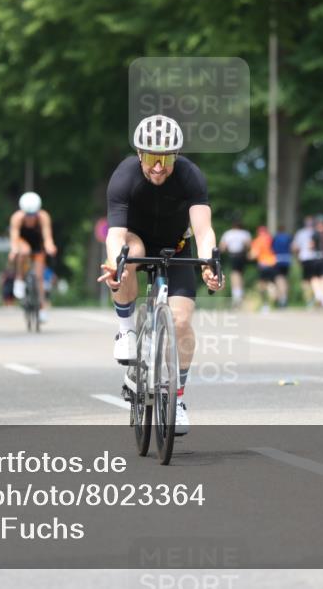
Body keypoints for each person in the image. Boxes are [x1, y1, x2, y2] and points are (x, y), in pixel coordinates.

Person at [97, 114, 222, 435]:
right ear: (140, 154)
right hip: (135, 241)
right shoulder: (124, 176)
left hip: (176, 247)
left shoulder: (190, 176)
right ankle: (126, 330)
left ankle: (177, 398)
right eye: (151, 158)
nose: (158, 166)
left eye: (166, 159)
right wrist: (114, 264)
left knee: (181, 322)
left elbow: (203, 230)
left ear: (176, 156)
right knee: (129, 256)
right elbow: (115, 234)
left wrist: (209, 263)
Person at [7, 191, 58, 323]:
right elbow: (14, 238)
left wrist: (50, 246)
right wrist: (13, 250)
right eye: (27, 214)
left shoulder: (43, 217)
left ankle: (42, 307)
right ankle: (19, 278)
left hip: (37, 243)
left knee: (39, 276)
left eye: (33, 214)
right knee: (23, 251)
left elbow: (47, 237)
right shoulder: (17, 218)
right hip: (22, 242)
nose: (30, 218)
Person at [218, 219, 251, 308]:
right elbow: (248, 245)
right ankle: (240, 294)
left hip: (233, 256)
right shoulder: (245, 233)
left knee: (234, 275)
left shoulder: (228, 233)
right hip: (242, 255)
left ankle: (236, 296)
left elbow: (222, 247)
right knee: (240, 275)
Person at [248, 225, 277, 312]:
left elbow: (254, 254)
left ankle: (265, 304)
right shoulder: (271, 239)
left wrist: (248, 256)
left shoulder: (257, 241)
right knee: (271, 282)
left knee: (261, 285)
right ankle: (273, 292)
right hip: (272, 263)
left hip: (263, 264)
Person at [291, 216, 317, 307]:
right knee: (314, 278)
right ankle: (316, 297)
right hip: (314, 258)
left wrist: (297, 257)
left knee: (306, 280)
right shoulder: (316, 232)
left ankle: (309, 299)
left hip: (305, 258)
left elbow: (294, 247)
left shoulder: (300, 233)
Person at [271, 225, 293, 308]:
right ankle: (285, 297)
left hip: (278, 259)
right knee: (285, 279)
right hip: (287, 259)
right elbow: (292, 247)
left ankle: (282, 299)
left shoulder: (275, 238)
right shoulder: (288, 237)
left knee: (279, 279)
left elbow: (272, 249)